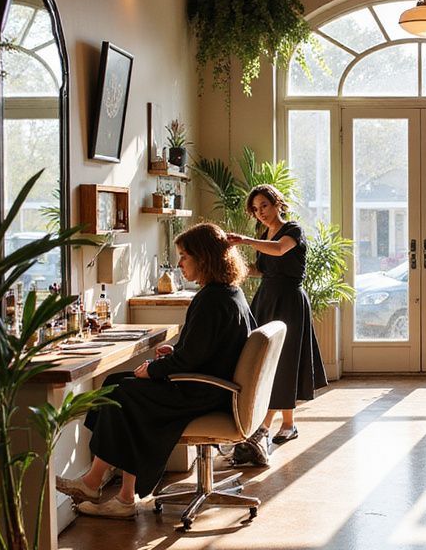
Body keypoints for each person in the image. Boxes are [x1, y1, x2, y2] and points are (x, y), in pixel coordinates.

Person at [56, 223, 254, 519]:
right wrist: (170, 357)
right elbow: (206, 351)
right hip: (212, 384)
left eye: (184, 256)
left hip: (203, 392)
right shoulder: (228, 293)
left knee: (122, 394)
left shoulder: (212, 300)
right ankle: (108, 488)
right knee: (114, 383)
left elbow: (192, 359)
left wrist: (156, 370)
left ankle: (104, 488)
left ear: (204, 257)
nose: (179, 264)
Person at [226, 184, 327, 465]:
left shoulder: (292, 230)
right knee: (267, 361)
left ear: (277, 204)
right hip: (266, 299)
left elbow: (280, 251)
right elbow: (264, 267)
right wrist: (236, 269)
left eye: (264, 207)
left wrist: (244, 240)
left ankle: (266, 426)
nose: (260, 214)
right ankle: (287, 423)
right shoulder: (263, 234)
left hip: (289, 302)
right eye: (256, 210)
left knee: (285, 360)